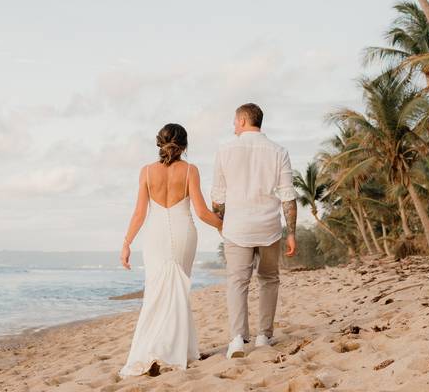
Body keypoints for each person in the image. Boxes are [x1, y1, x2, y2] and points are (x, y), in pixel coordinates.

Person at [119, 123, 224, 377]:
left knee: (155, 292)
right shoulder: (190, 171)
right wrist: (223, 226)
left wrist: (126, 243)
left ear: (159, 143)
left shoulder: (145, 172)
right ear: (184, 146)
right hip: (183, 233)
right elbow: (200, 212)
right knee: (178, 290)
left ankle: (153, 349)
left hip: (154, 235)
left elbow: (139, 213)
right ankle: (177, 350)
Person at [211, 103, 297, 358]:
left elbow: (218, 196)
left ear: (242, 120)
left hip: (237, 227)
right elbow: (288, 197)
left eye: (235, 121)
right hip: (269, 226)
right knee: (269, 279)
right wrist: (291, 232)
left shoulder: (224, 150)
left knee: (237, 282)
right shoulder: (279, 151)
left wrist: (221, 222)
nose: (233, 126)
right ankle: (263, 336)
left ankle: (237, 339)